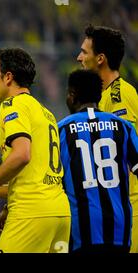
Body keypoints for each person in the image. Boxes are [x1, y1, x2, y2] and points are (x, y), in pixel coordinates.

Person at [0, 48, 71, 253]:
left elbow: (21, 155)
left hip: (31, 213)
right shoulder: (45, 113)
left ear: (8, 77)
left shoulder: (13, 105)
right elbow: (33, 179)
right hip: (59, 214)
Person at [59, 69, 138, 253]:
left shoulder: (61, 130)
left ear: (72, 95)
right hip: (120, 228)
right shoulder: (123, 126)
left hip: (82, 229)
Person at [77, 25, 138, 252]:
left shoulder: (119, 96)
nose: (79, 57)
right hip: (114, 206)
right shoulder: (101, 98)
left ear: (100, 58)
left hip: (132, 203)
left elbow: (128, 151)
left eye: (84, 52)